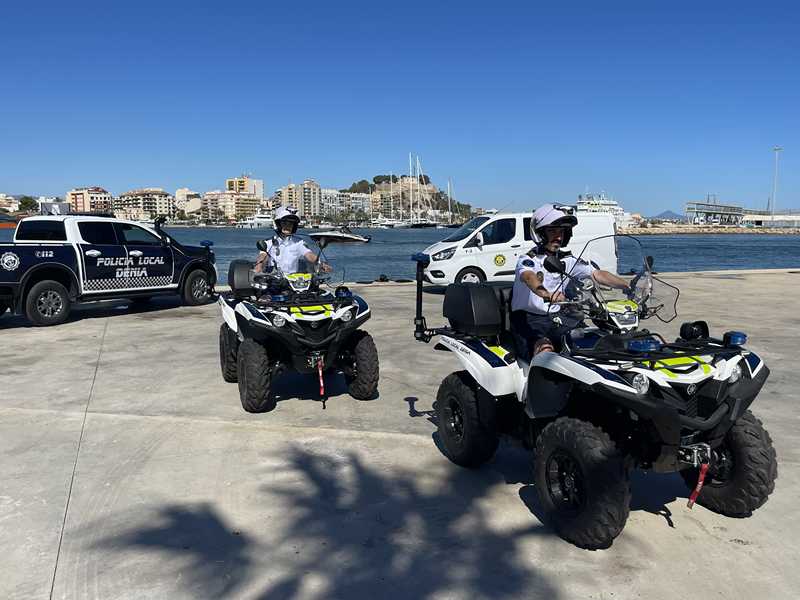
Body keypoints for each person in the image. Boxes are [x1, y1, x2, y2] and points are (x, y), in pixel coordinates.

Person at [510, 203, 631, 359]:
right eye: (553, 231)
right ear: (540, 233)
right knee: (544, 349)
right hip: (528, 320)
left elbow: (597, 274)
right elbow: (528, 277)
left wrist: (627, 285)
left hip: (556, 318)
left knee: (593, 340)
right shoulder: (528, 260)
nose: (559, 236)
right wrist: (547, 294)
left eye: (562, 231)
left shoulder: (567, 261)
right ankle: (542, 382)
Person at [254, 207, 332, 274]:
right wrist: (259, 265)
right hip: (274, 279)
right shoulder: (269, 243)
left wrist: (321, 264)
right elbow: (263, 256)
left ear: (294, 226)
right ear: (278, 224)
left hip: (294, 280)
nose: (287, 226)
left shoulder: (299, 242)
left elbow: (309, 255)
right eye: (284, 223)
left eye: (291, 223)